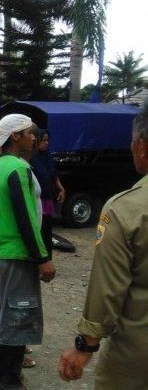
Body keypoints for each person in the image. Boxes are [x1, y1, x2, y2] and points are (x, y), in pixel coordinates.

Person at [57, 107, 148, 389]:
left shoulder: (127, 208)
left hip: (137, 353)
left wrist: (85, 345)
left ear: (141, 147)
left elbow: (108, 285)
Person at [0, 114, 54, 389]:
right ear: (15, 136)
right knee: (16, 321)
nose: (34, 137)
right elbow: (25, 218)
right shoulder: (18, 169)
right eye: (28, 133)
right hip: (16, 256)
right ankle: (8, 381)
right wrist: (43, 258)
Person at [29, 129, 65, 261]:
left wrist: (61, 189)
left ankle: (46, 258)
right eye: (43, 140)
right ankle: (37, 259)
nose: (45, 143)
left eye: (47, 140)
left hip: (47, 199)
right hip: (36, 199)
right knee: (38, 228)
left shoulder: (48, 157)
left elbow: (53, 175)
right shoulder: (32, 158)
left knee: (46, 230)